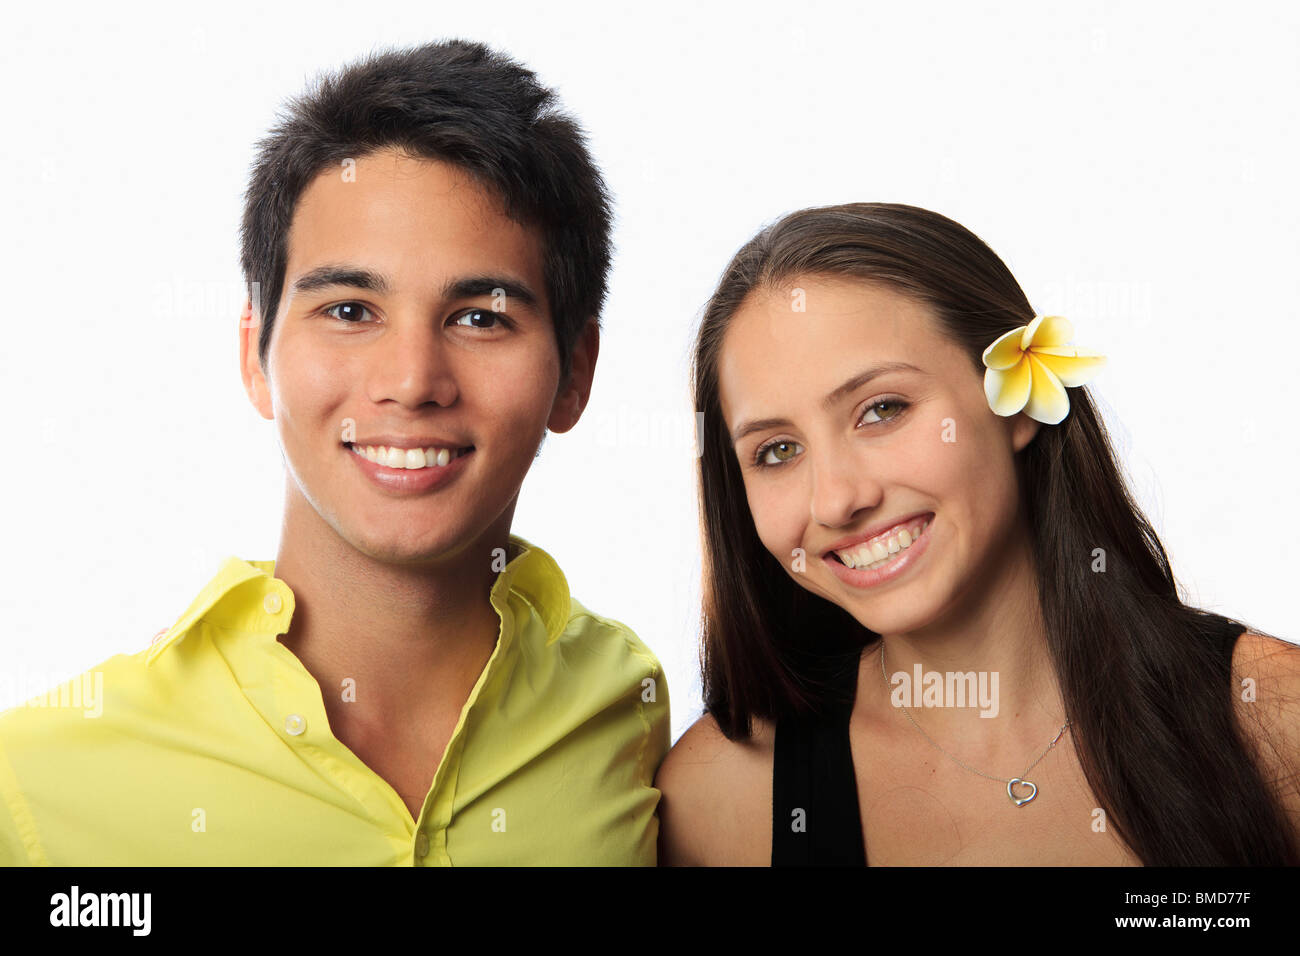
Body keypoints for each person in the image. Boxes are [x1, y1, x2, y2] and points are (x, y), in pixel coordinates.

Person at [0, 39, 669, 866]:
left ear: (576, 372)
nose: (413, 381)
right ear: (256, 354)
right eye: (350, 311)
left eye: (480, 317)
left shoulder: (624, 712)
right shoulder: (36, 781)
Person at [655, 202, 1299, 866]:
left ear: (1015, 399)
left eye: (882, 409)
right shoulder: (718, 801)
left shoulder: (1277, 718)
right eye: (777, 452)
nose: (838, 499)